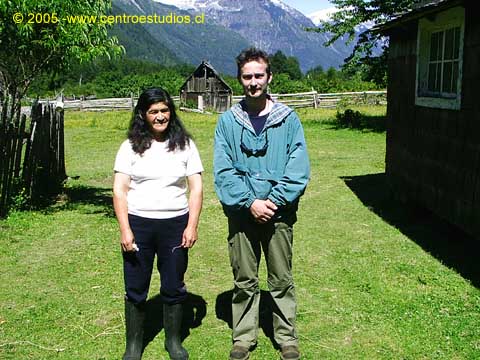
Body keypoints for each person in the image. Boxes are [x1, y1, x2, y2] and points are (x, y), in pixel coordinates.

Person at [213, 48, 310, 360]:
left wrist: (272, 201)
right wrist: (249, 202)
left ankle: (287, 339)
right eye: (247, 76)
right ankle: (243, 338)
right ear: (240, 79)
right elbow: (224, 170)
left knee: (281, 278)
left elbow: (298, 168)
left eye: (258, 75)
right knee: (244, 280)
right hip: (242, 216)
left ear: (269, 77)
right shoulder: (228, 123)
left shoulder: (289, 121)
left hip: (279, 215)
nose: (253, 82)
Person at [113, 87, 203, 360]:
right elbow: (119, 190)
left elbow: (196, 188)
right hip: (139, 224)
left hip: (175, 224)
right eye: (154, 111)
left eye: (165, 110)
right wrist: (125, 229)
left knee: (174, 284)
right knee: (136, 286)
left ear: (171, 113)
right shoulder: (129, 147)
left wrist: (192, 225)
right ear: (143, 114)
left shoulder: (185, 144)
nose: (160, 116)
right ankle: (133, 346)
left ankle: (173, 342)